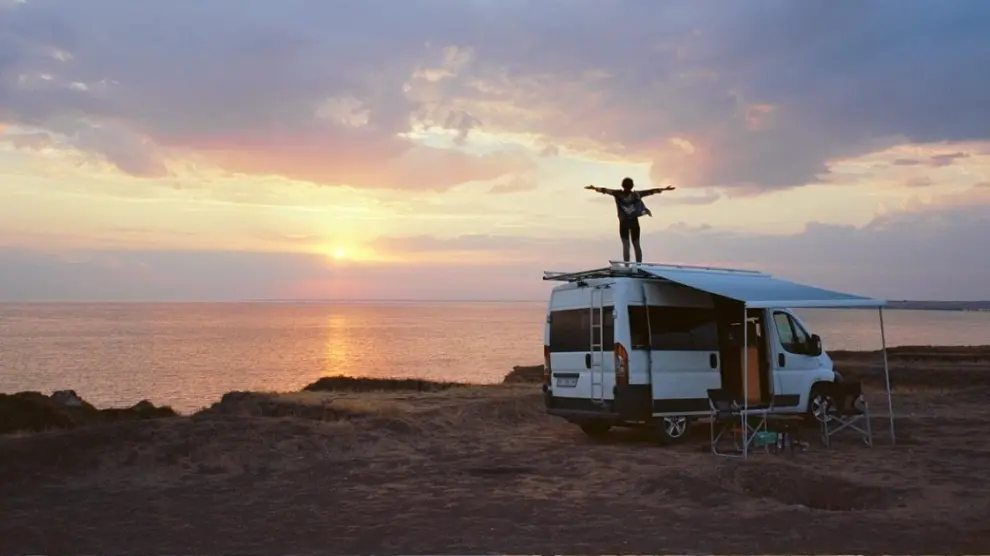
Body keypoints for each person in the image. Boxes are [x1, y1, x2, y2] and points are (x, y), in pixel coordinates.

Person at [585, 177, 675, 263]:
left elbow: (605, 190)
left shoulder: (618, 194)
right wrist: (665, 189)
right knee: (636, 244)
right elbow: (651, 191)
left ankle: (627, 265)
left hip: (624, 223)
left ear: (622, 185)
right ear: (632, 186)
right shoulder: (636, 194)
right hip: (634, 222)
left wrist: (594, 188)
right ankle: (639, 265)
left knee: (626, 245)